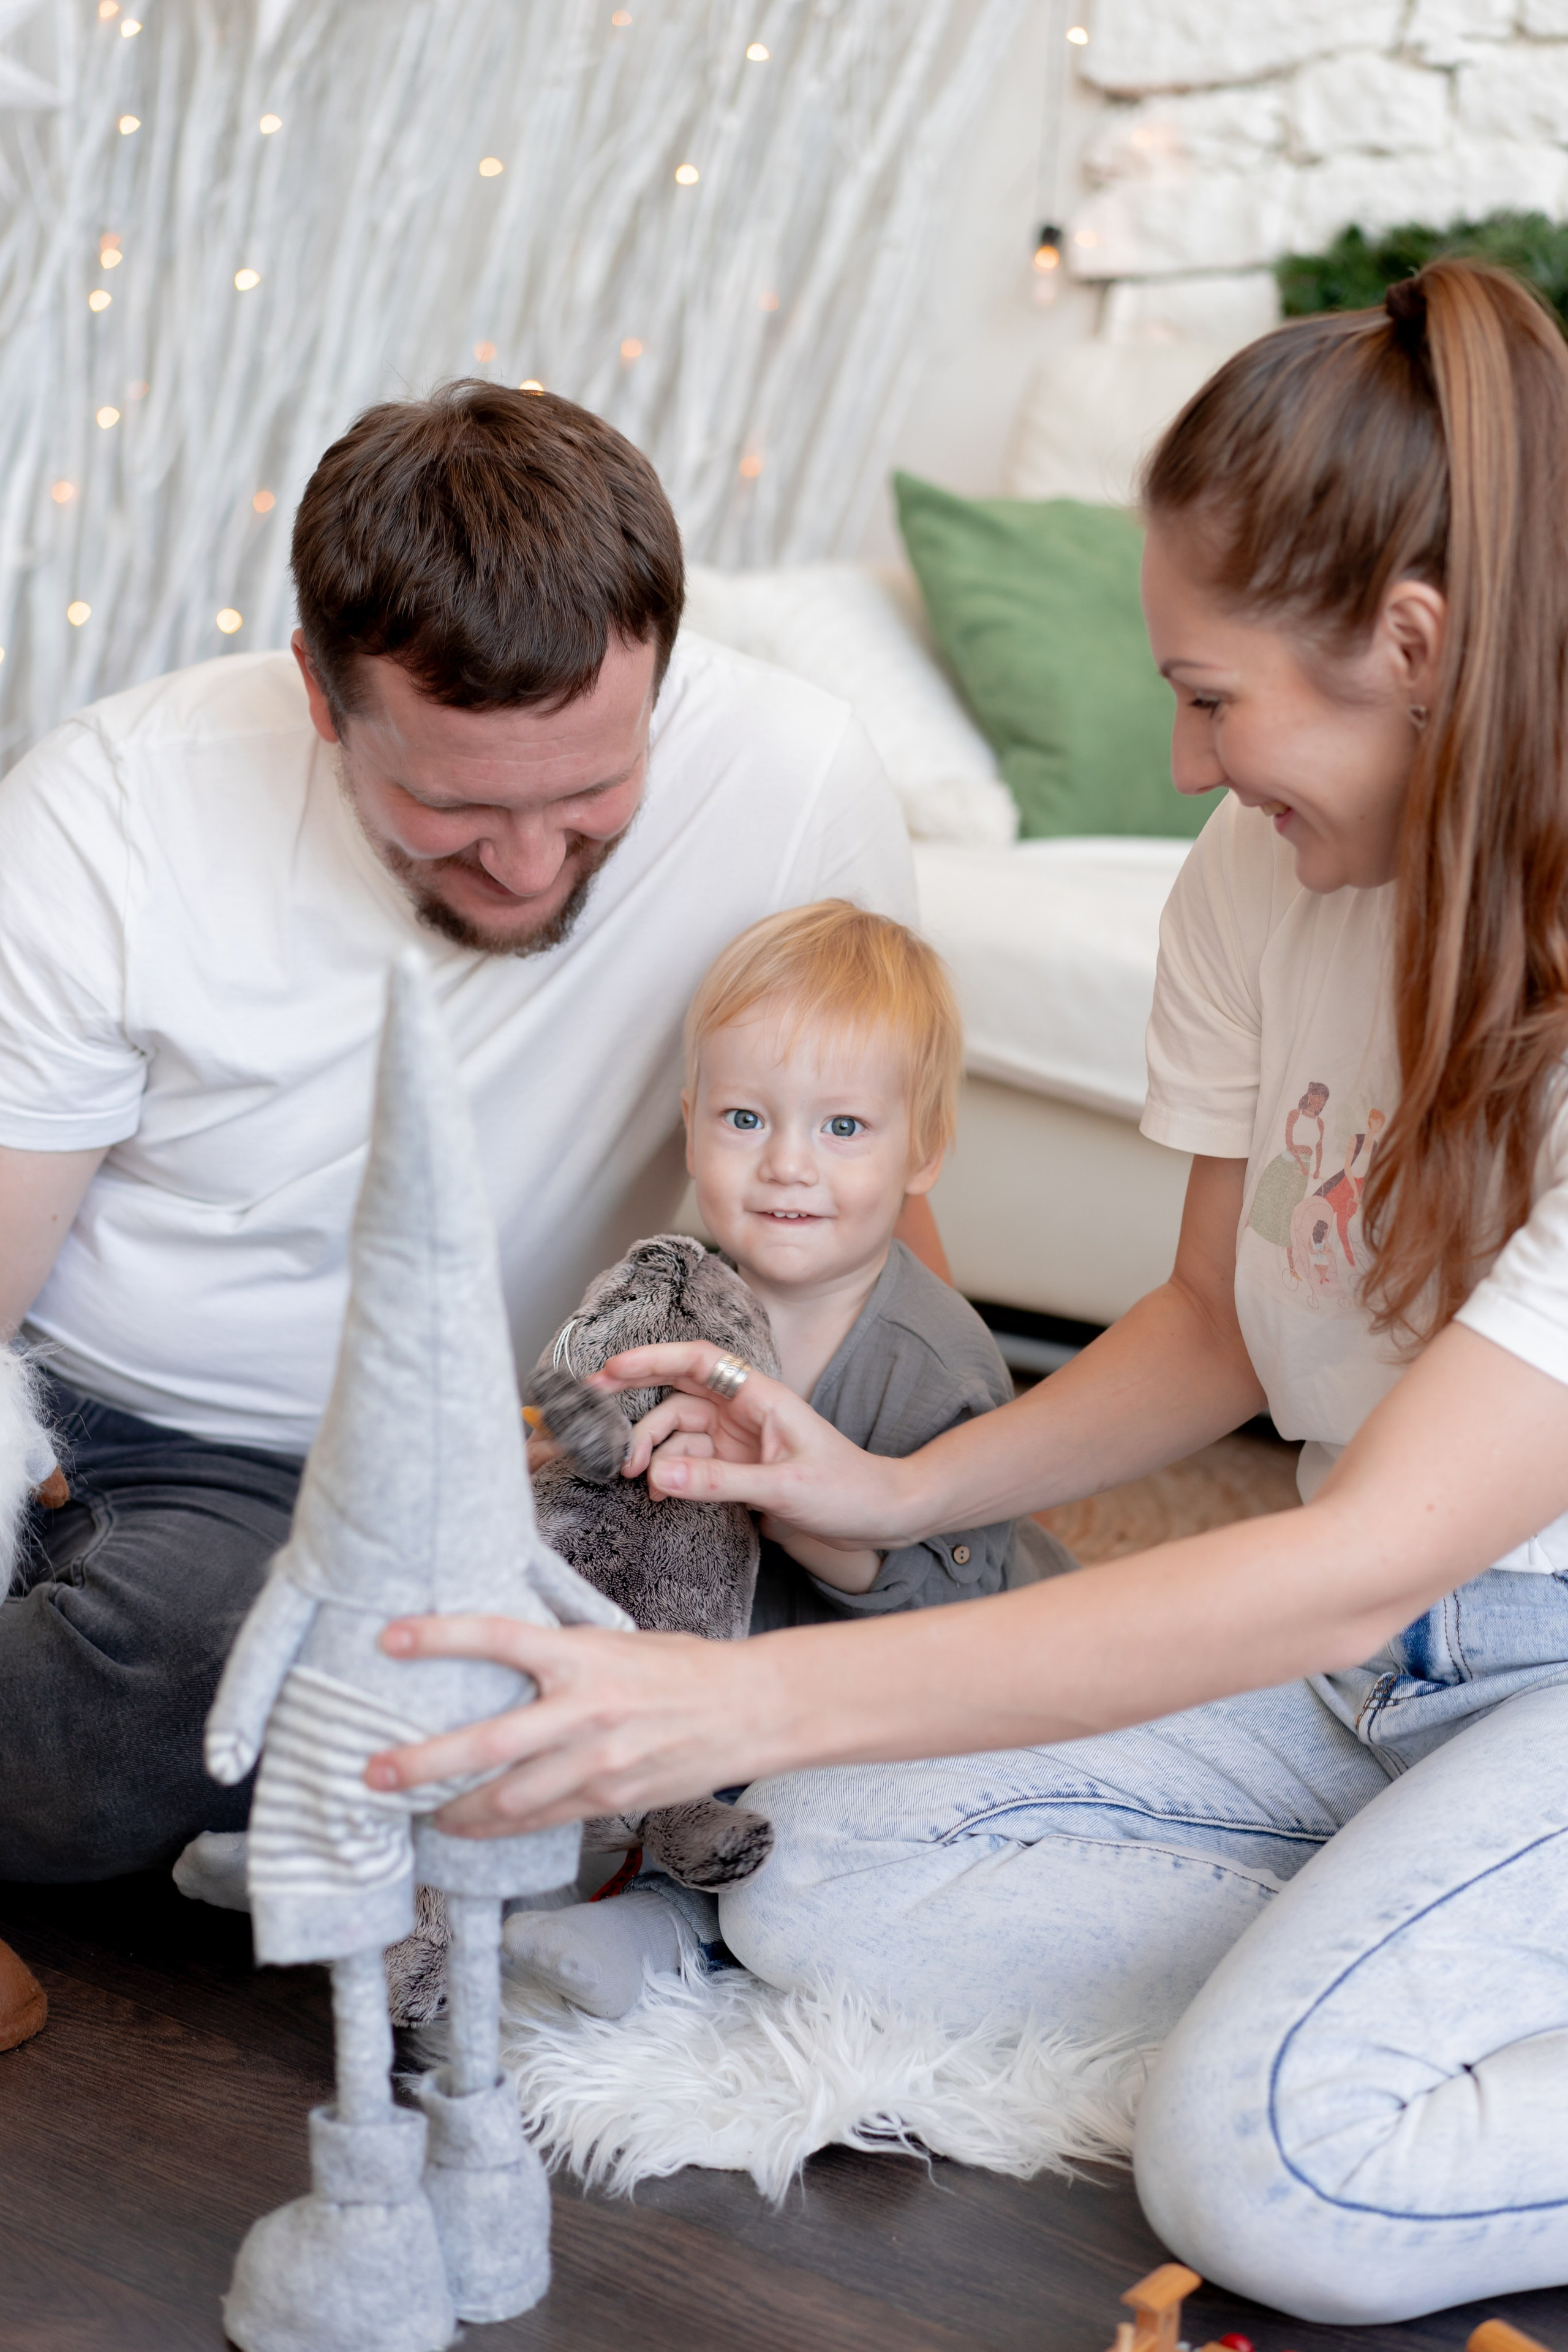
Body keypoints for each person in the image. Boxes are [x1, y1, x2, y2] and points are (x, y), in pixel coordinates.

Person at [368, 262, 1568, 2326]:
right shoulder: (1258, 882)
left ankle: (1411, 1966)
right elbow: (1219, 1320)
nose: (1182, 761)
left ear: (1414, 646)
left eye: (1211, 697)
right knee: (815, 1864)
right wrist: (890, 1495)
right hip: (1384, 1688)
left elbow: (1354, 1561)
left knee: (1270, 2163)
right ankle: (1428, 1933)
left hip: (1499, 1660)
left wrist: (729, 1697)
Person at [0, 381, 917, 1885]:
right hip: (186, 1447)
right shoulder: (111, 813)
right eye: (454, 805)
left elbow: (865, 1170)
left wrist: (882, 1479)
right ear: (320, 695)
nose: (531, 861)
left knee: (909, 1642)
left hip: (567, 1445)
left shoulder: (796, 772)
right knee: (200, 1669)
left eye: (595, 790)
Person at [504, 900, 1069, 2016]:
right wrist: (560, 1454)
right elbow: (590, 1466)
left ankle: (668, 1929)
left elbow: (950, 1624)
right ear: (690, 1124)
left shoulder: (933, 1361)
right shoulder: (670, 1294)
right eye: (745, 1119)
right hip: (716, 1682)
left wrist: (791, 1510)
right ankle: (413, 1853)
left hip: (896, 1697)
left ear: (925, 1149)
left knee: (816, 1826)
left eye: (844, 1127)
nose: (787, 1166)